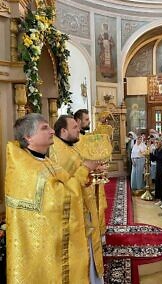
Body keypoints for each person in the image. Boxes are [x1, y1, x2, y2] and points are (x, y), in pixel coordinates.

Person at [5, 113, 97, 283]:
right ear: (28, 136)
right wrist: (84, 169)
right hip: (38, 248)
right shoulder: (27, 168)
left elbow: (66, 184)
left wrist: (83, 178)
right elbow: (60, 200)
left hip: (49, 242)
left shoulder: (42, 160)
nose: (52, 132)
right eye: (44, 128)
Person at [50, 115, 104, 283]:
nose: (78, 129)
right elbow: (64, 184)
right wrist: (87, 168)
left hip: (84, 204)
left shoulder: (70, 147)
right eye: (74, 127)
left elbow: (80, 173)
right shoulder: (57, 152)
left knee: (89, 248)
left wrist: (91, 171)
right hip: (73, 213)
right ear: (63, 130)